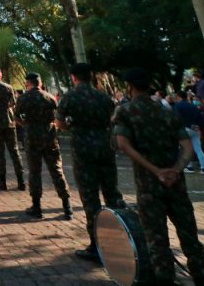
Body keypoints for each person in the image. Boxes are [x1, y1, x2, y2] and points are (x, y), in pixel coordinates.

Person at [114, 68, 204, 285]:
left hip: (149, 186)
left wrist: (155, 170)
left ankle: (165, 279)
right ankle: (202, 277)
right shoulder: (167, 111)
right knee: (190, 237)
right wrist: (175, 169)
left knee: (157, 240)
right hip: (176, 184)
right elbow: (187, 146)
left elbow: (123, 144)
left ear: (129, 87)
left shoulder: (125, 112)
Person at [56, 63, 125, 263]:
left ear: (73, 77)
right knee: (112, 194)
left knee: (90, 198)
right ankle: (123, 240)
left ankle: (97, 245)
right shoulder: (103, 97)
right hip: (105, 148)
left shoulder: (70, 97)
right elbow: (114, 120)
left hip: (83, 151)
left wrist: (72, 125)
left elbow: (60, 123)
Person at [15, 73, 73, 220]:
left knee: (34, 172)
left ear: (28, 83)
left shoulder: (23, 98)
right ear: (40, 83)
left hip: (32, 138)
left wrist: (26, 125)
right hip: (49, 137)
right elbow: (58, 117)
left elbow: (16, 116)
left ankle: (37, 207)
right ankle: (67, 207)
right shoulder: (50, 97)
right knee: (56, 170)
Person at [172, 90, 204, 173]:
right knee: (198, 148)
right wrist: (198, 126)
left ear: (179, 96)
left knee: (185, 149)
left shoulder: (177, 106)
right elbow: (200, 118)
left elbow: (177, 118)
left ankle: (189, 167)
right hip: (195, 128)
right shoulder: (193, 106)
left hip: (184, 129)